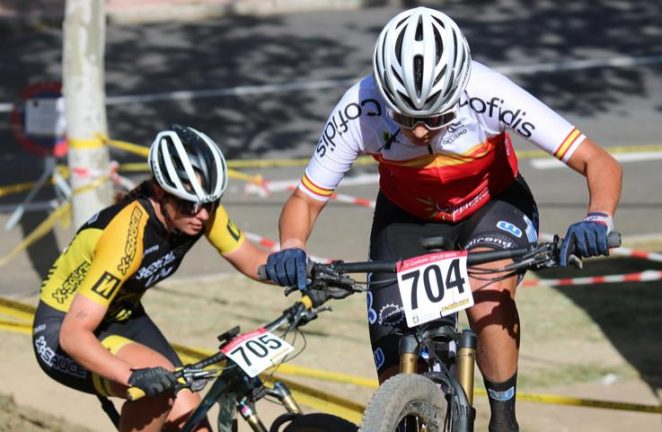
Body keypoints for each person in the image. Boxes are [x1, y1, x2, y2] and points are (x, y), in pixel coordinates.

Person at [265, 7, 622, 431]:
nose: (418, 132)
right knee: (395, 379)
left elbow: (597, 161)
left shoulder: (487, 90)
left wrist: (597, 218)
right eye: (404, 117)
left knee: (485, 285)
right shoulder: (359, 107)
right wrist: (292, 246)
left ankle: (504, 419)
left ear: (457, 90)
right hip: (407, 221)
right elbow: (305, 200)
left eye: (434, 118)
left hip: (492, 206)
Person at [32, 125, 271, 432]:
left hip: (122, 315)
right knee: (155, 393)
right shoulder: (126, 238)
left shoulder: (199, 210)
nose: (202, 215)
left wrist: (308, 272)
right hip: (65, 330)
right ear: (160, 193)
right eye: (190, 204)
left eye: (211, 204)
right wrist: (130, 376)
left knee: (195, 425)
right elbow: (73, 335)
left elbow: (253, 261)